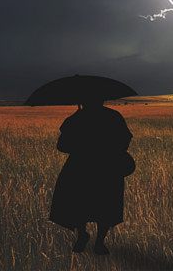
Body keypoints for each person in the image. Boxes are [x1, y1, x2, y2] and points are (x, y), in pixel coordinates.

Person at [49, 97, 134, 255]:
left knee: (79, 203)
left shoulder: (76, 118)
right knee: (106, 205)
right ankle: (99, 243)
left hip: (80, 167)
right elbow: (125, 141)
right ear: (102, 100)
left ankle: (82, 234)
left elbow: (61, 146)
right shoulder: (113, 116)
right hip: (108, 167)